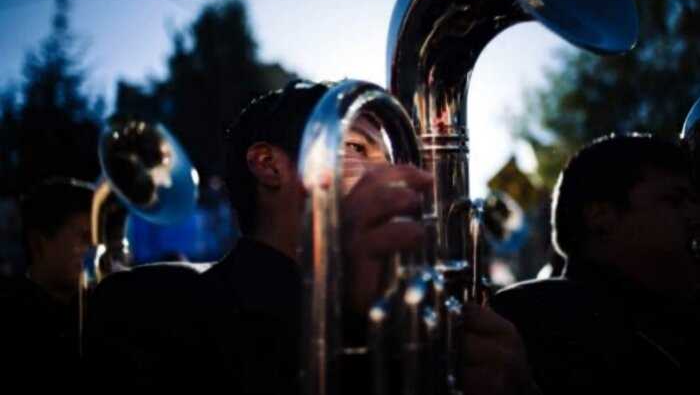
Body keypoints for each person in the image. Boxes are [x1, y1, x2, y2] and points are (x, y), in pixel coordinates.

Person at [86, 80, 538, 394]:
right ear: (269, 165)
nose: (392, 176)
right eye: (357, 149)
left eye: (389, 158)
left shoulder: (420, 316)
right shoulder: (153, 306)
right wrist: (350, 324)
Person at [491, 133, 700, 394]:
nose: (694, 216)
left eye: (695, 202)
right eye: (674, 200)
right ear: (599, 216)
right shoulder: (529, 318)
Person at [0, 178, 93, 387]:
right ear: (38, 244)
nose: (95, 249)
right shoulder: (11, 313)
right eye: (84, 237)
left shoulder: (100, 306)